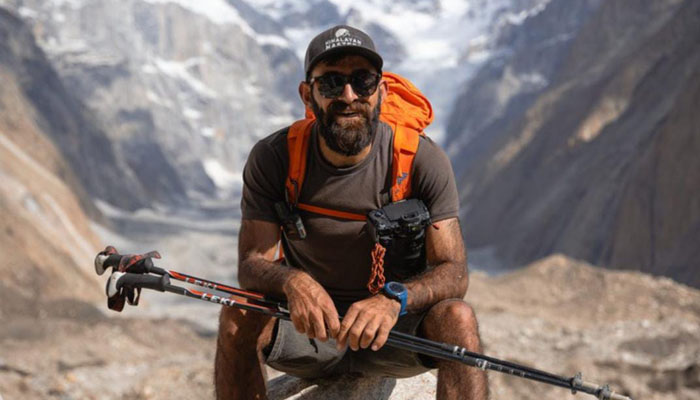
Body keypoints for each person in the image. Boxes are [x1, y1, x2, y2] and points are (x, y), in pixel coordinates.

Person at [215, 24, 488, 400]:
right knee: (237, 315)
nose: (349, 96)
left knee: (458, 319)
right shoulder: (276, 157)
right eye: (331, 83)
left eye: (363, 81)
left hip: (394, 333)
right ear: (307, 94)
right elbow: (251, 264)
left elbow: (453, 271)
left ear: (382, 91)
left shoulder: (420, 159)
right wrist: (294, 282)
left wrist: (394, 300)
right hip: (311, 332)